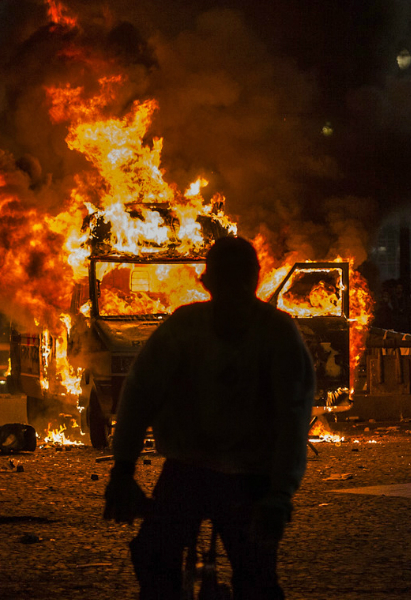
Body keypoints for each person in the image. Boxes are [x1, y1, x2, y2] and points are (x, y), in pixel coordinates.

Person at [104, 237, 317, 599]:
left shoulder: (193, 327)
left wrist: (124, 469)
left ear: (206, 280)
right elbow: (294, 418)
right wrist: (280, 493)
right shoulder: (276, 332)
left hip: (216, 475)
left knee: (165, 562)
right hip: (214, 473)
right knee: (249, 576)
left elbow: (139, 395)